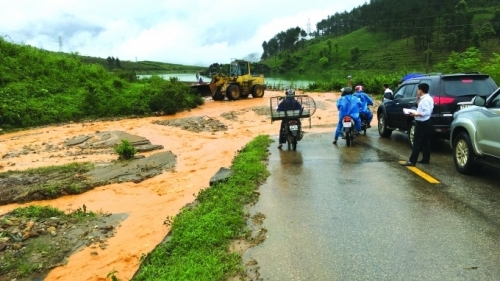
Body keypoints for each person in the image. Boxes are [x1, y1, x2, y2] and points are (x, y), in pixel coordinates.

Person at [401, 83, 434, 166]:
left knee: (417, 142)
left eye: (418, 89)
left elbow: (426, 112)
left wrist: (414, 114)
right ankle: (426, 159)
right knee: (425, 141)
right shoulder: (427, 98)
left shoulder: (426, 100)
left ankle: (412, 161)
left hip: (422, 122)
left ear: (421, 90)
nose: (417, 91)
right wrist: (418, 100)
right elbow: (422, 108)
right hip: (426, 121)